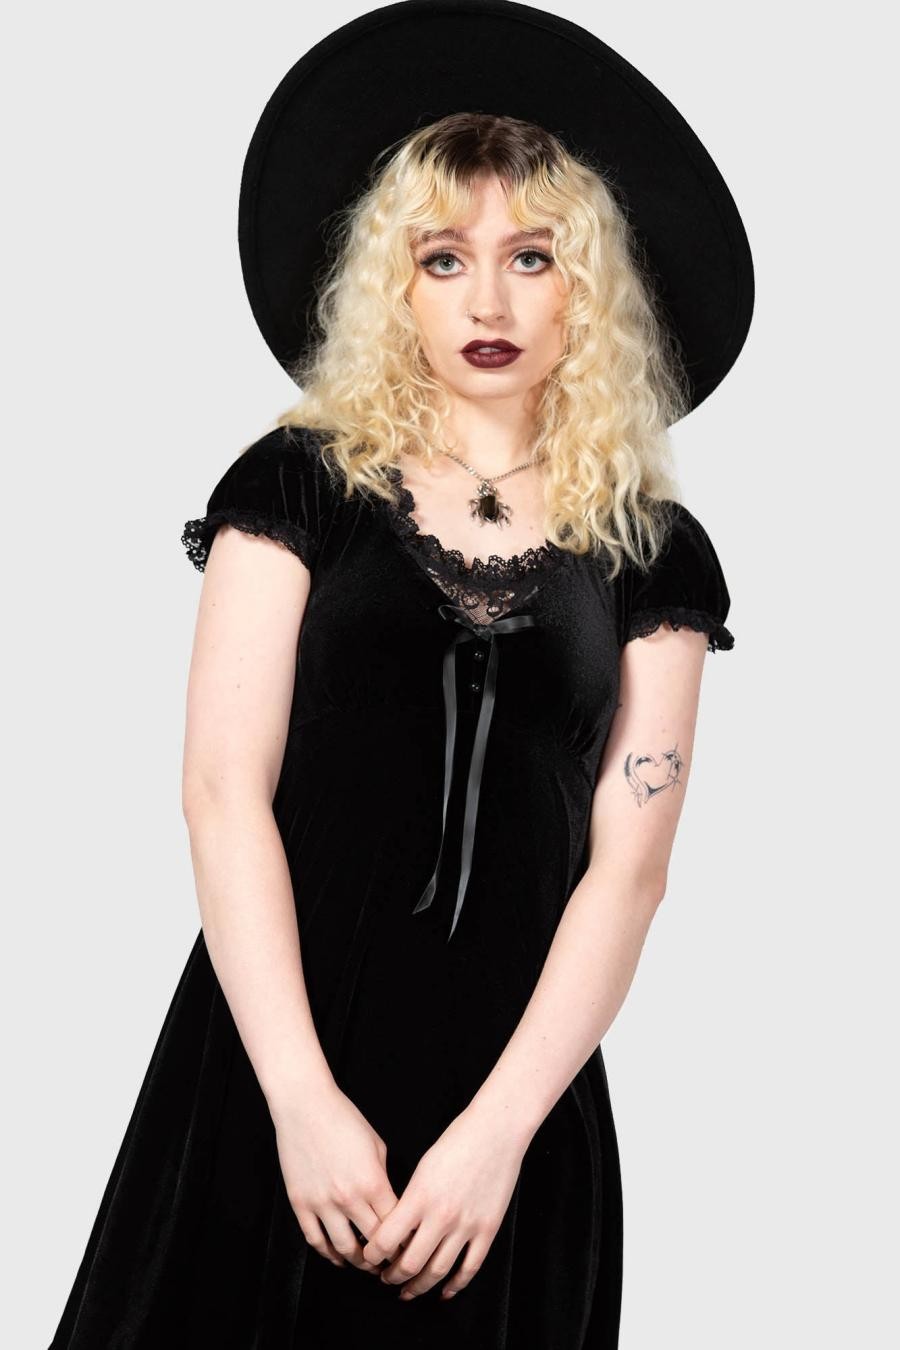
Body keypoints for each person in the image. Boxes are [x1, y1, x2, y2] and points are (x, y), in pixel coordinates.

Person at [49, 5, 751, 1347]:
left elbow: (629, 872)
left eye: (532, 257)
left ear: (589, 287)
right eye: (444, 259)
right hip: (275, 1060)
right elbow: (220, 790)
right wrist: (300, 1101)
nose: (488, 302)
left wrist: (498, 1135)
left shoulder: (653, 552)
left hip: (515, 1105)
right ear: (396, 282)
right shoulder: (298, 486)